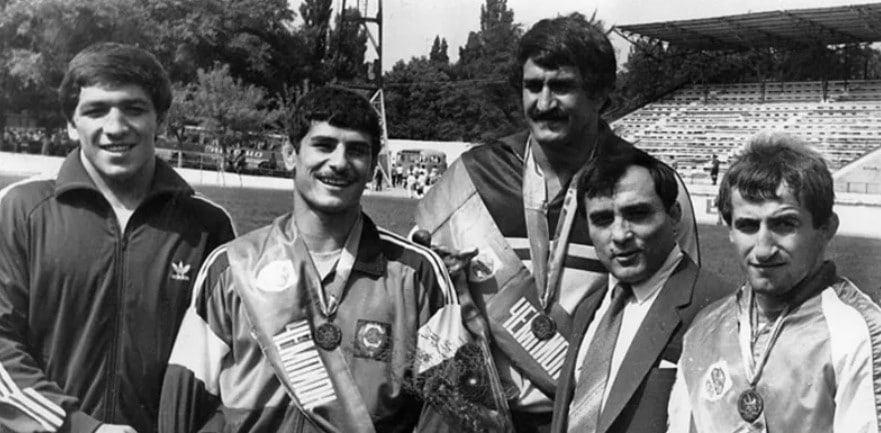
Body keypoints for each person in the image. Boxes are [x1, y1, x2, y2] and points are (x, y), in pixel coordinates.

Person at [159, 86, 510, 433]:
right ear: (290, 154)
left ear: (372, 167)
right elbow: (183, 403)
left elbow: (454, 413)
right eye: (324, 145)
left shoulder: (417, 273)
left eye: (356, 150)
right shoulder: (231, 268)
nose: (339, 162)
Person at [415, 14, 700, 431]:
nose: (544, 103)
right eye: (533, 86)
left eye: (562, 86)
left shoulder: (649, 189)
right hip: (476, 418)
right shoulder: (471, 177)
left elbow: (679, 314)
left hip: (591, 420)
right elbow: (419, 301)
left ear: (600, 93)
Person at [0, 42, 236, 433]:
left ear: (161, 119)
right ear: (71, 124)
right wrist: (80, 427)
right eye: (96, 110)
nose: (115, 127)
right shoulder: (20, 210)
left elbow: (235, 363)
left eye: (134, 109)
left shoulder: (207, 225)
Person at [666, 132, 881, 433]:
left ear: (826, 228)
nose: (764, 248)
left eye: (784, 224)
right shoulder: (704, 329)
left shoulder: (860, 333)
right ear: (730, 231)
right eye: (748, 225)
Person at [550, 147, 730, 433]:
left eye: (637, 214)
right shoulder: (590, 309)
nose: (620, 235)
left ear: (674, 216)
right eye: (602, 219)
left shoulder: (720, 308)